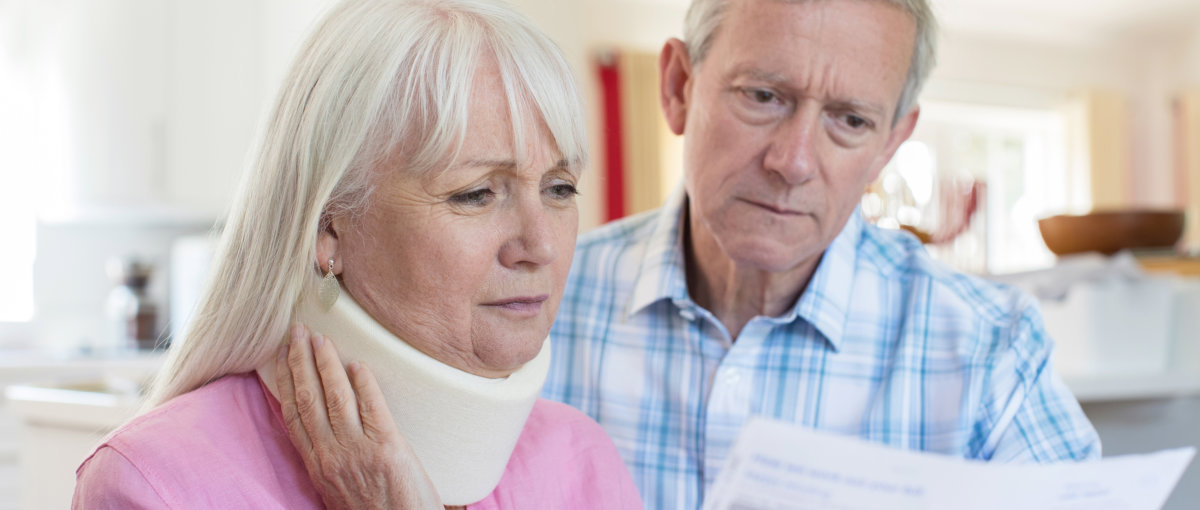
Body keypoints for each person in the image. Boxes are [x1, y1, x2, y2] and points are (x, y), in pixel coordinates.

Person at [71, 0, 642, 508]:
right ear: (328, 228)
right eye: (475, 194)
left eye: (559, 188)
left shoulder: (584, 464)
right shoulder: (154, 485)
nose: (540, 246)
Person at [539, 0, 1101, 508]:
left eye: (850, 120)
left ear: (888, 145)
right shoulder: (536, 301)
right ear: (679, 87)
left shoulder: (992, 349)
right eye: (763, 96)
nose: (795, 162)